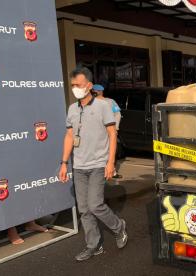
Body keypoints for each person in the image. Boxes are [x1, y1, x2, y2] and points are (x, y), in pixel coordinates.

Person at [58, 67, 128, 261]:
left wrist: (110, 162)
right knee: (84, 209)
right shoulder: (72, 109)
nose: (75, 89)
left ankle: (118, 226)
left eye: (78, 85)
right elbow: (70, 135)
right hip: (79, 166)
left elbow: (112, 134)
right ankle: (93, 245)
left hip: (98, 164)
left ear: (89, 86)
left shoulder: (103, 106)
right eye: (72, 85)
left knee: (95, 205)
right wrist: (64, 163)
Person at [92, 84, 122, 178]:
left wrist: (116, 128)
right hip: (96, 132)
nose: (92, 93)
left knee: (111, 151)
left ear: (99, 91)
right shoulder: (91, 102)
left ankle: (112, 171)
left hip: (109, 131)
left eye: (94, 91)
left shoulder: (110, 101)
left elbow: (118, 114)